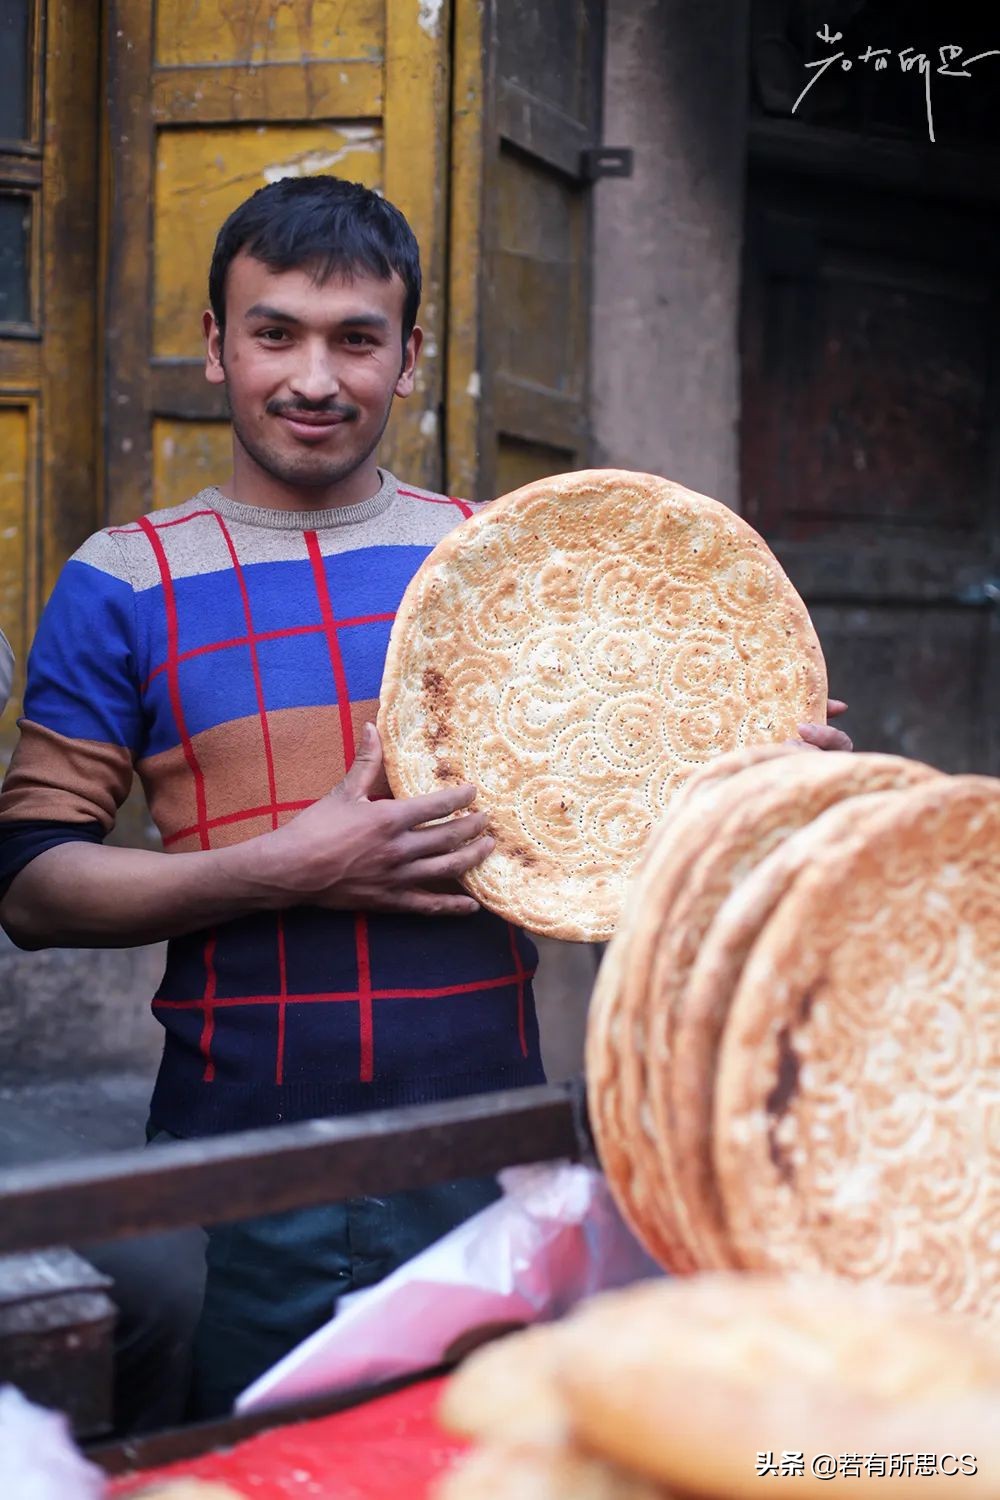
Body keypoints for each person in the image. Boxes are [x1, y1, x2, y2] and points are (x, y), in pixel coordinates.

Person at [0, 175, 852, 1419]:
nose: (313, 377)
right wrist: (283, 867)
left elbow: (635, 828)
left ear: (409, 356)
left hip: (488, 1148)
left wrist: (758, 791)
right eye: (274, 331)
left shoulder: (508, 565)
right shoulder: (121, 581)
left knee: (478, 1458)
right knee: (258, 1468)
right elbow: (29, 884)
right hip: (242, 1156)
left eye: (356, 339)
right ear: (213, 343)